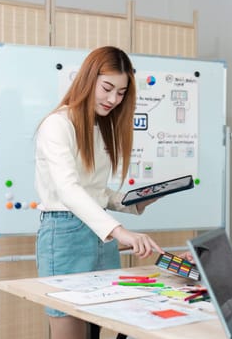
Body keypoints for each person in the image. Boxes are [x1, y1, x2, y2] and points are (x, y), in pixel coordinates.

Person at [35, 46, 165, 339]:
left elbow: (94, 191)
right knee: (69, 328)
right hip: (64, 234)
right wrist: (120, 232)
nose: (113, 99)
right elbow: (68, 190)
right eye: (107, 88)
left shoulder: (100, 126)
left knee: (100, 326)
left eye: (121, 93)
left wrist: (133, 203)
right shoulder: (57, 125)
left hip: (98, 233)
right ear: (88, 79)